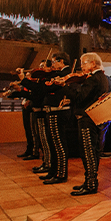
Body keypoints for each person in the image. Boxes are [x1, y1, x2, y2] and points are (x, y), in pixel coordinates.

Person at [58, 53, 111, 196]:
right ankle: (89, 181)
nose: (81, 66)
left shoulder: (93, 79)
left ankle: (90, 184)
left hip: (88, 118)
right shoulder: (104, 78)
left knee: (88, 152)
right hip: (96, 117)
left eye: (84, 63)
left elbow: (80, 97)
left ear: (93, 64)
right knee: (93, 151)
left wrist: (66, 86)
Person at [39, 53, 72, 184]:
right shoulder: (58, 74)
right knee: (52, 143)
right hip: (52, 111)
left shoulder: (66, 73)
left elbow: (48, 88)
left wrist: (48, 79)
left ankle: (61, 173)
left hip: (59, 112)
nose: (52, 65)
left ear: (61, 61)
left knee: (59, 144)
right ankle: (53, 171)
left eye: (54, 62)